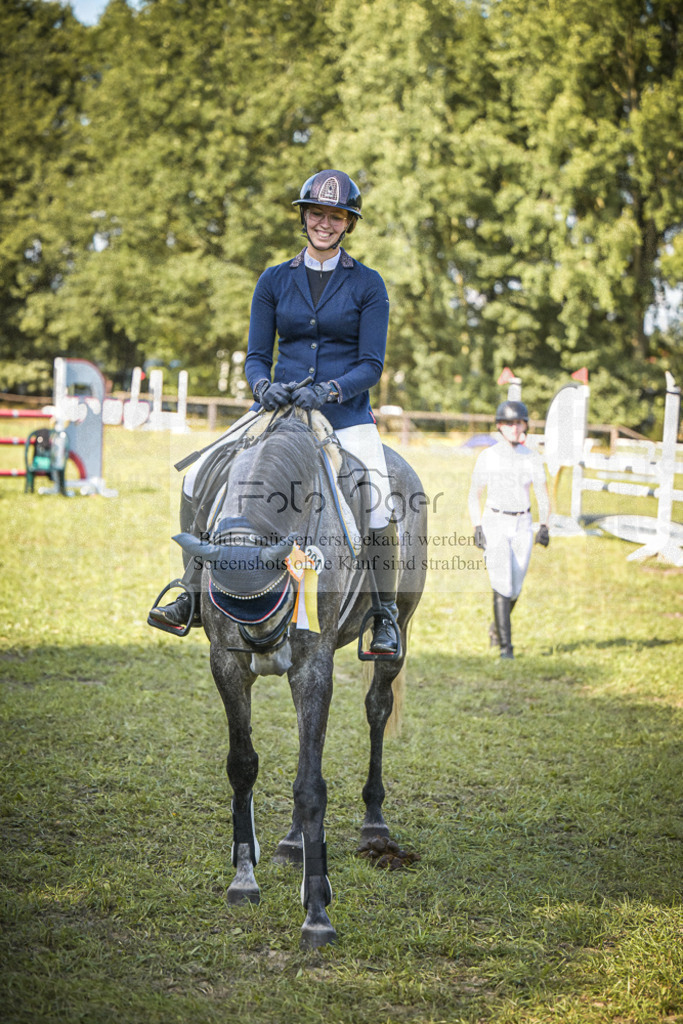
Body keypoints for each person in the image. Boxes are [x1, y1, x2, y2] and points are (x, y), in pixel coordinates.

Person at [149, 169, 400, 653]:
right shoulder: (273, 279)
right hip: (277, 408)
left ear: (348, 224)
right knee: (197, 473)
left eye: (336, 216)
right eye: (317, 213)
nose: (325, 223)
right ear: (304, 217)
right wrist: (262, 385)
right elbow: (256, 356)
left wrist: (327, 391)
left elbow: (371, 365)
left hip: (343, 413)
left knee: (381, 496)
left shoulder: (368, 284)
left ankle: (384, 614)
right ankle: (191, 591)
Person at [467, 400, 550, 659]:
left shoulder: (532, 458)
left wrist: (545, 525)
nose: (514, 428)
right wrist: (477, 525)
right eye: (509, 423)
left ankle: (497, 627)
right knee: (501, 581)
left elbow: (542, 494)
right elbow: (474, 494)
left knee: (515, 585)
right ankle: (506, 647)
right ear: (500, 426)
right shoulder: (488, 457)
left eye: (519, 423)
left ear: (525, 425)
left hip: (523, 522)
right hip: (495, 521)